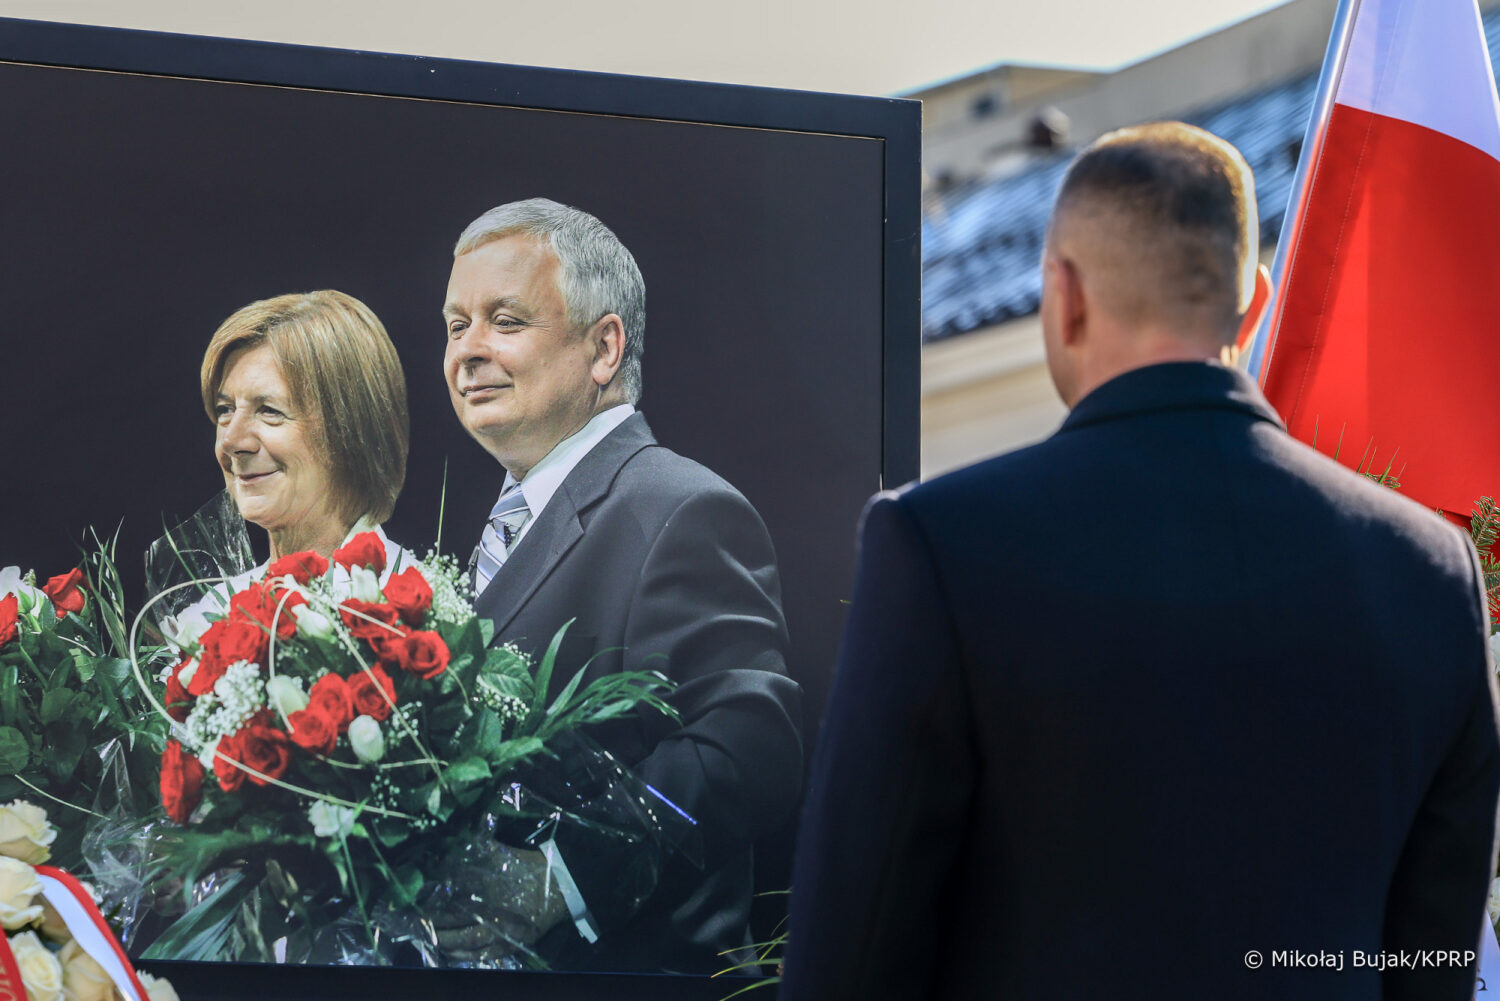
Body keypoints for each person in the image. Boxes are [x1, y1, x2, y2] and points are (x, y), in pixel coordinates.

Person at [781, 122, 1500, 1001]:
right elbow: (1432, 968)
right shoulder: (1429, 574)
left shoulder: (940, 548)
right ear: (1257, 302)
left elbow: (847, 965)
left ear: (1065, 296)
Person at [438, 198, 803, 973]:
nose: (468, 351)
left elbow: (751, 741)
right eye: (454, 325)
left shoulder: (677, 506)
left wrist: (560, 876)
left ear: (604, 348)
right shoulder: (506, 521)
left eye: (504, 320)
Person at [179, 290, 412, 624]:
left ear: (350, 429)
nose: (231, 440)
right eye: (224, 410)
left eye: (269, 410)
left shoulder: (423, 619)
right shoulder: (202, 623)